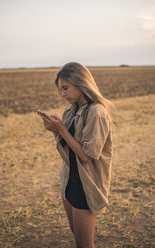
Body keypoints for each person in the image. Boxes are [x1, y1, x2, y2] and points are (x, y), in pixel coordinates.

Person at [37, 62, 113, 248]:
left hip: (86, 185)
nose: (62, 94)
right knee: (76, 234)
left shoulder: (96, 112)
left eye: (65, 88)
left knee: (84, 244)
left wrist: (61, 129)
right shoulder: (70, 110)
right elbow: (68, 149)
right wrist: (54, 129)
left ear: (80, 83)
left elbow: (87, 156)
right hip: (69, 181)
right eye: (60, 89)